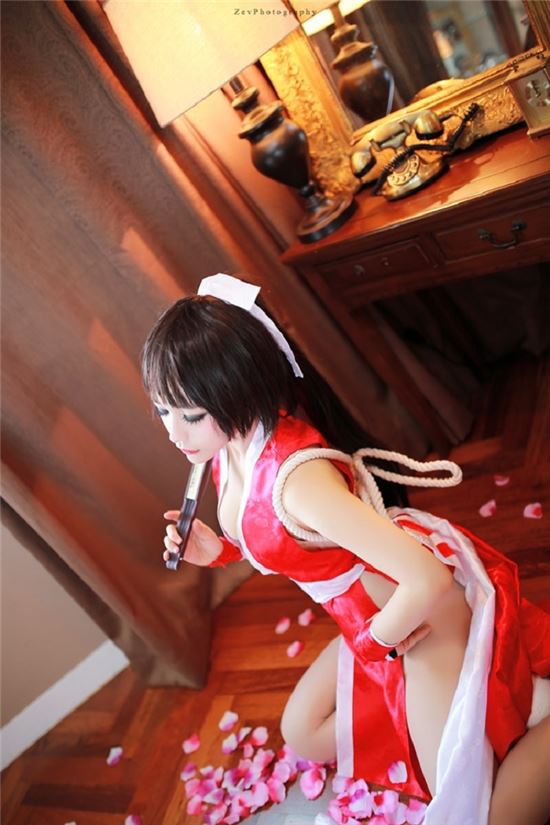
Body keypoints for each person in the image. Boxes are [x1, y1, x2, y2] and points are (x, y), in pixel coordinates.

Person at [142, 273, 550, 825]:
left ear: (238, 388)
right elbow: (276, 539)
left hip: (418, 621)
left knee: (474, 814)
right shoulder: (228, 449)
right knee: (302, 734)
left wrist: (374, 642)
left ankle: (523, 712)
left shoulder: (297, 482)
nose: (174, 432)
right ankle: (510, 704)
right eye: (163, 410)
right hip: (367, 616)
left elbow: (427, 579)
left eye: (190, 415)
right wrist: (219, 551)